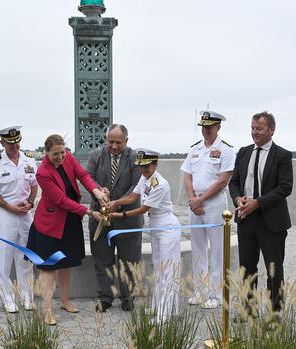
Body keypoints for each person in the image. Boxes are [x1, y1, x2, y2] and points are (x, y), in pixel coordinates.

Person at [26, 134, 106, 325]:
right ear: (46, 153)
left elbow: (83, 175)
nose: (60, 157)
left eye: (62, 152)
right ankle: (46, 310)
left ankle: (65, 301)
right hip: (50, 224)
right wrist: (88, 212)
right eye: (56, 154)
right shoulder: (42, 173)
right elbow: (60, 200)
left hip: (70, 220)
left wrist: (95, 191)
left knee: (65, 262)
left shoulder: (68, 157)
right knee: (48, 266)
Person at [229, 111, 293, 312]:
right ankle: (249, 309)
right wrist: (238, 199)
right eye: (252, 128)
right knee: (247, 269)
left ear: (271, 130)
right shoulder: (244, 152)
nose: (254, 132)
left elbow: (285, 188)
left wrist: (257, 202)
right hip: (246, 218)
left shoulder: (282, 155)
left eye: (259, 128)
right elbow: (234, 182)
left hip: (271, 221)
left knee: (274, 269)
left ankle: (276, 311)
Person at [108, 149, 181, 322]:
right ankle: (158, 305)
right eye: (141, 167)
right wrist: (116, 202)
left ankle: (165, 312)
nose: (143, 171)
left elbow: (143, 209)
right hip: (156, 226)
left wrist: (120, 215)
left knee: (167, 269)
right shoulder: (145, 178)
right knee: (158, 268)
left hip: (167, 226)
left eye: (147, 167)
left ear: (155, 164)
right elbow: (133, 197)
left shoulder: (159, 184)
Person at [86, 124, 143, 313]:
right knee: (103, 260)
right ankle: (105, 297)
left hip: (127, 219)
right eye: (111, 141)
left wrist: (117, 202)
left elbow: (136, 186)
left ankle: (128, 297)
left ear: (126, 141)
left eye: (118, 142)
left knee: (129, 260)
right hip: (100, 218)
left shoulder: (135, 158)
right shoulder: (96, 155)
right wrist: (98, 191)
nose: (114, 146)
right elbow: (88, 178)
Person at [181, 111, 235, 309]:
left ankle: (215, 294)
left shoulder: (226, 149)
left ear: (218, 127)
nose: (206, 130)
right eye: (203, 127)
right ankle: (200, 291)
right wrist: (192, 199)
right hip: (195, 202)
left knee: (217, 251)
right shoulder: (195, 149)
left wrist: (201, 199)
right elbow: (187, 175)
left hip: (213, 204)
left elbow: (223, 180)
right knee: (198, 249)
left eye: (210, 127)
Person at [0, 126, 38, 313]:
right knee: (3, 259)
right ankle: (8, 299)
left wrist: (30, 203)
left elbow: (34, 185)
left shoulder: (29, 160)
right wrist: (9, 207)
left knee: (25, 258)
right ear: (2, 143)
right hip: (5, 215)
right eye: (10, 143)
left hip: (25, 215)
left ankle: (26, 297)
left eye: (17, 142)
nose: (15, 146)